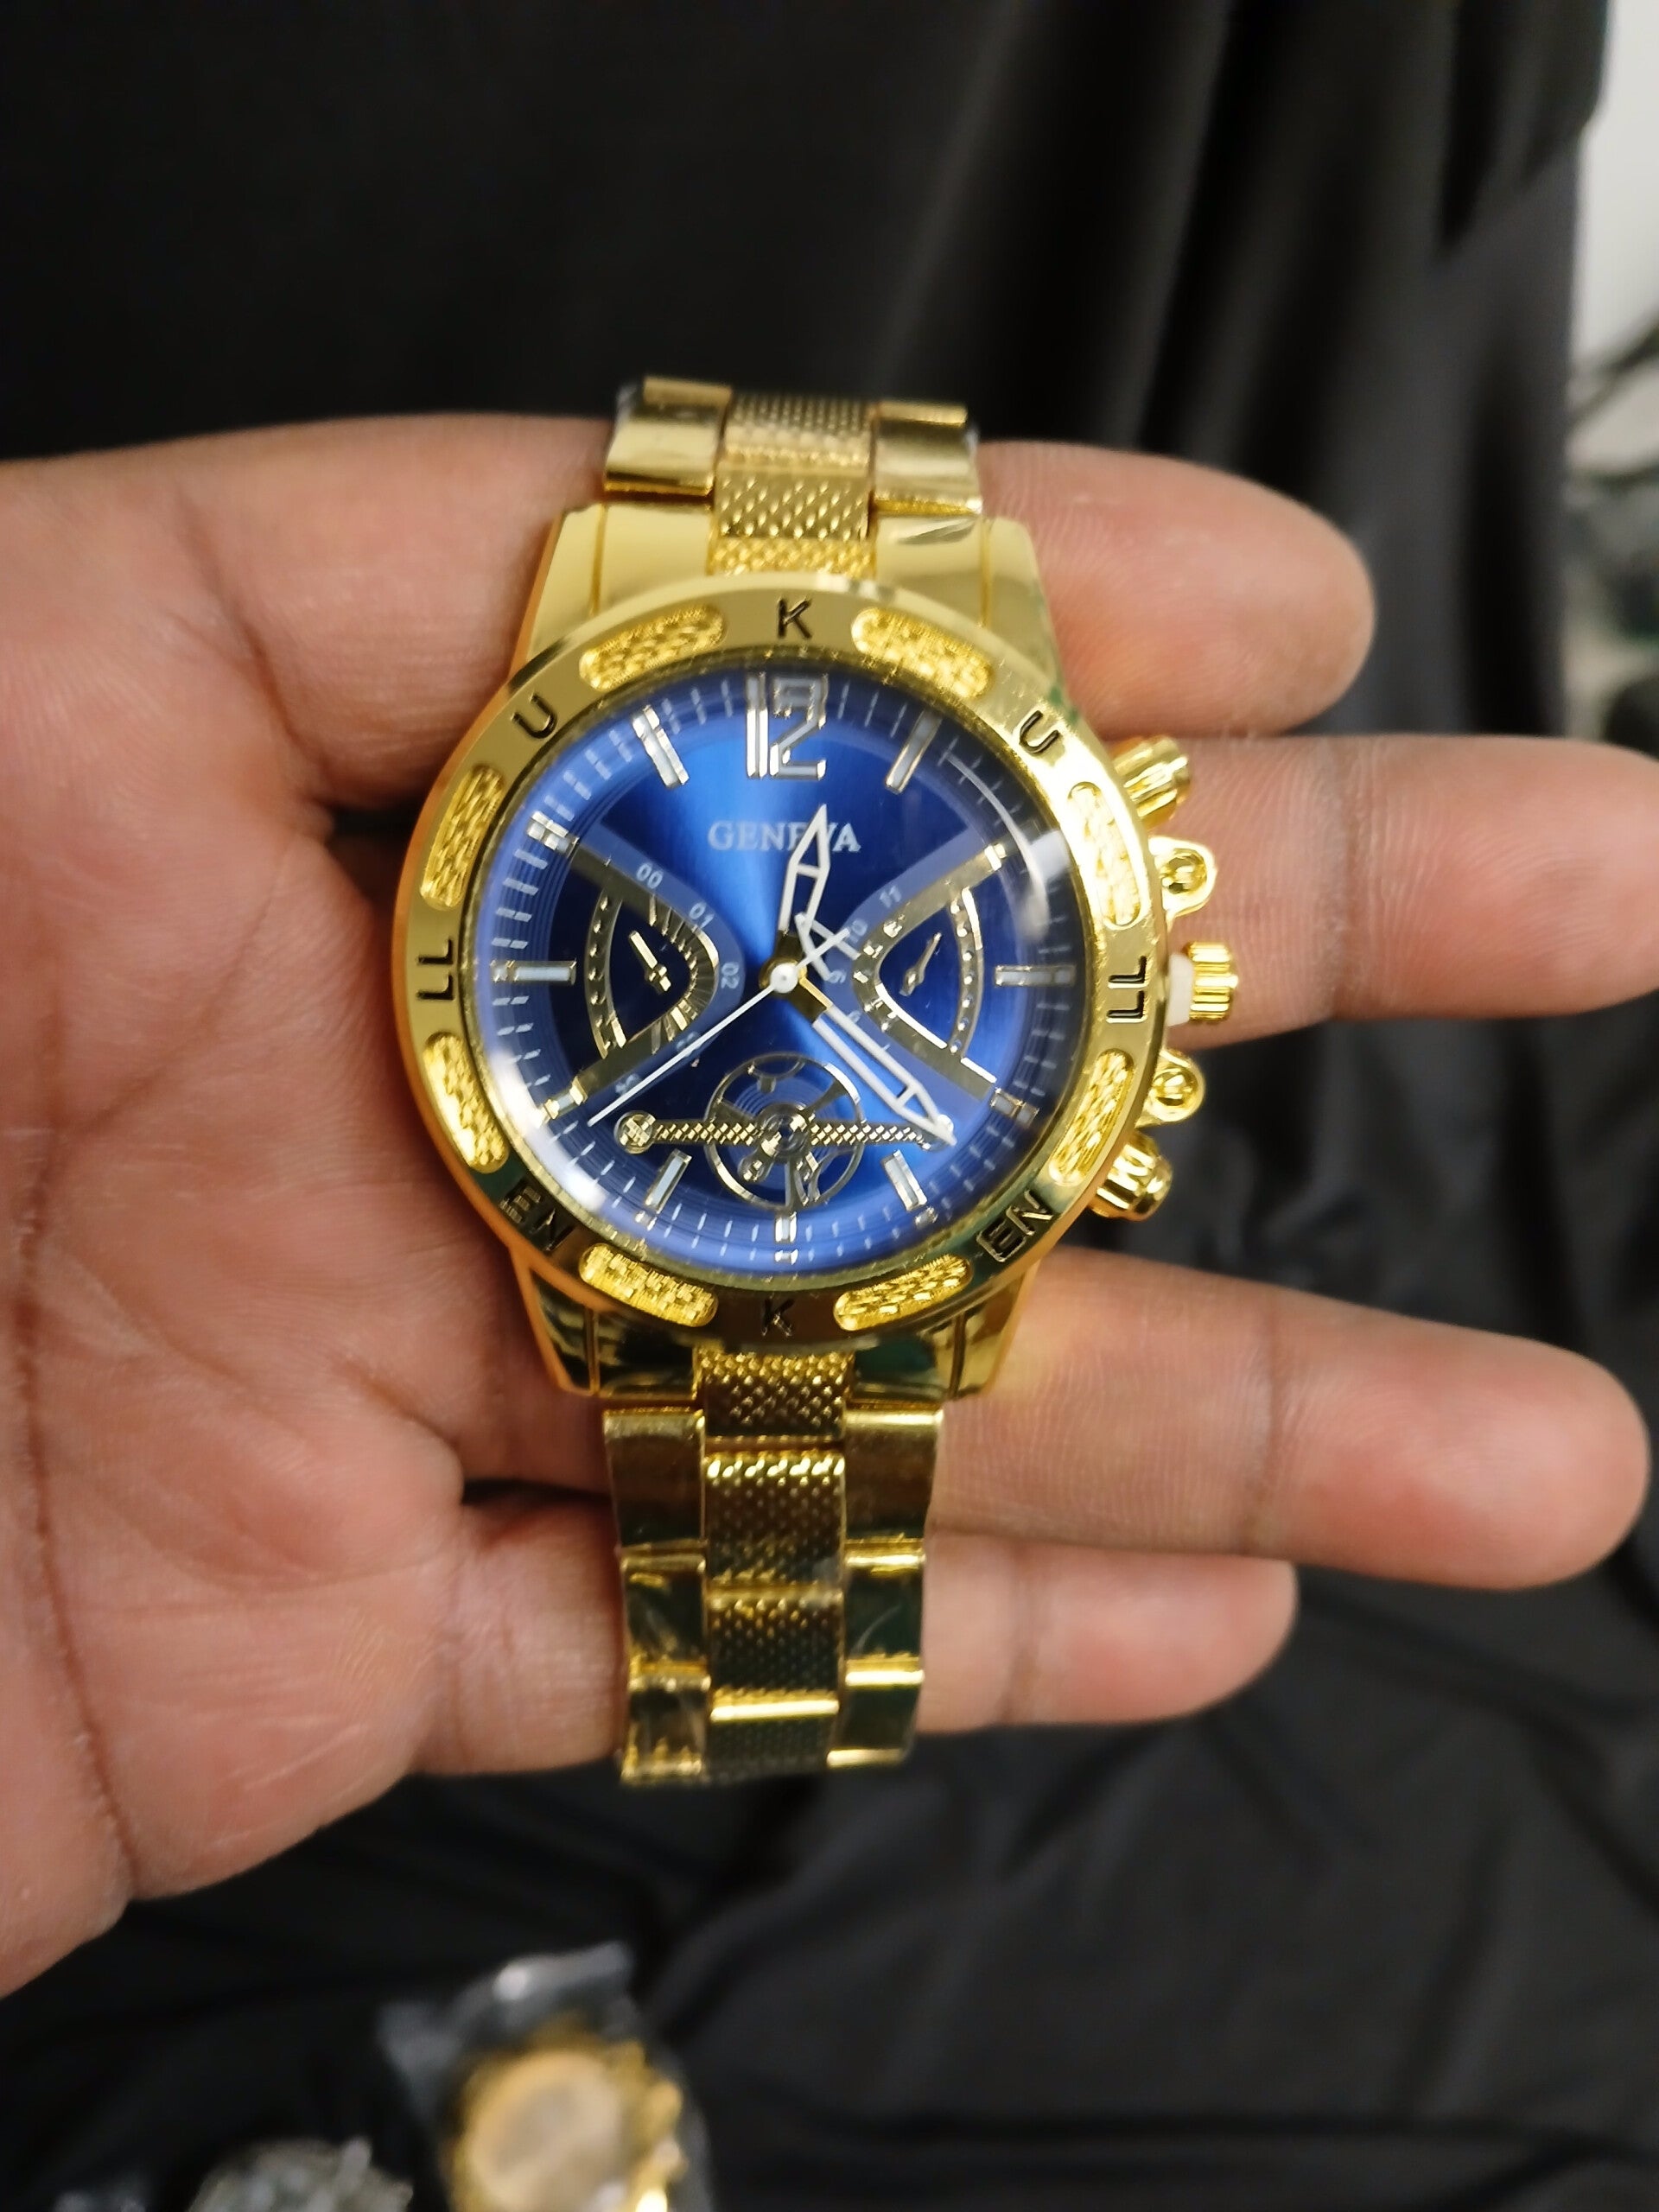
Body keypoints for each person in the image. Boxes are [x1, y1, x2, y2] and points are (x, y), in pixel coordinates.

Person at [5, 6, 1658, 2209]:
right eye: (764, 954)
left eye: (816, 964)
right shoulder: (595, 922)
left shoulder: (942, 927)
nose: (785, 979)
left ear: (1141, 1002)